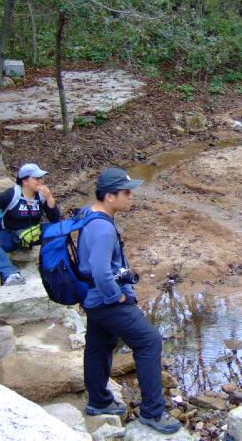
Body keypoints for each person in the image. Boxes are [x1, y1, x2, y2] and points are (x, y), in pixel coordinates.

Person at [77, 167, 181, 435]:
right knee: (149, 341)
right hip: (106, 300)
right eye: (126, 192)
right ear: (109, 196)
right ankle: (153, 412)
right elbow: (101, 271)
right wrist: (118, 296)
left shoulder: (90, 214)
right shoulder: (103, 229)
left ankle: (99, 401)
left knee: (100, 344)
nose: (131, 196)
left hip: (92, 298)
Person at [0, 163, 59, 286]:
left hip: (33, 234)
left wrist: (50, 199)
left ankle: (55, 267)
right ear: (25, 181)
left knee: (58, 230)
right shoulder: (12, 194)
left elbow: (55, 220)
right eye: (36, 178)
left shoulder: (41, 196)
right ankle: (11, 274)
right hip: (12, 236)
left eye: (41, 178)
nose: (41, 181)